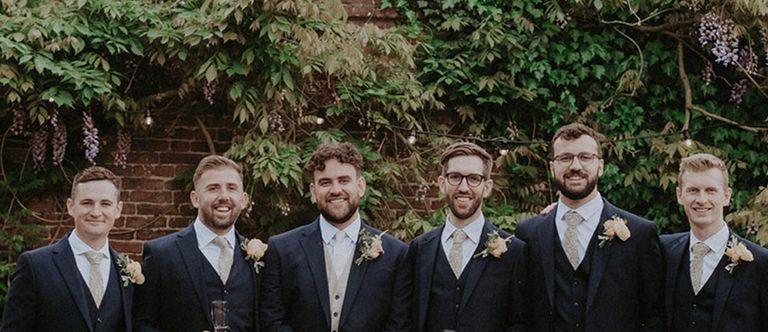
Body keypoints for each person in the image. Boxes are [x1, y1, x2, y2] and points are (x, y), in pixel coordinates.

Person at [515, 122, 664, 331]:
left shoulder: (640, 233)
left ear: (600, 166)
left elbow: (654, 315)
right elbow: (519, 315)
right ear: (552, 167)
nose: (575, 166)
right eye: (565, 158)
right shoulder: (528, 234)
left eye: (585, 157)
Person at [259, 142, 410, 332]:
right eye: (325, 182)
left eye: (344, 180)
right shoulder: (282, 248)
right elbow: (272, 319)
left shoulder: (396, 254)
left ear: (361, 186)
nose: (335, 190)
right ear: (314, 192)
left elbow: (399, 324)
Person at [1, 165, 138, 332]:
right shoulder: (35, 265)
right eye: (87, 203)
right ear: (70, 206)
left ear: (118, 210)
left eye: (105, 204)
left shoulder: (127, 271)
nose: (96, 212)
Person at [134, 154, 262, 332]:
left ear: (244, 199)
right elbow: (142, 324)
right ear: (195, 198)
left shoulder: (262, 259)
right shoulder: (160, 254)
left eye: (231, 188)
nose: (223, 196)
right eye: (213, 188)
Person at [409, 141, 528, 332]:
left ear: (487, 187)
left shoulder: (514, 251)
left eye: (474, 178)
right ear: (442, 183)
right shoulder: (420, 248)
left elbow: (520, 323)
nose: (463, 187)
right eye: (455, 177)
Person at [661, 152, 768, 331]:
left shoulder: (761, 263)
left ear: (726, 196)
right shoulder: (663, 251)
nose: (701, 200)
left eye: (710, 190)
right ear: (680, 196)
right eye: (693, 190)